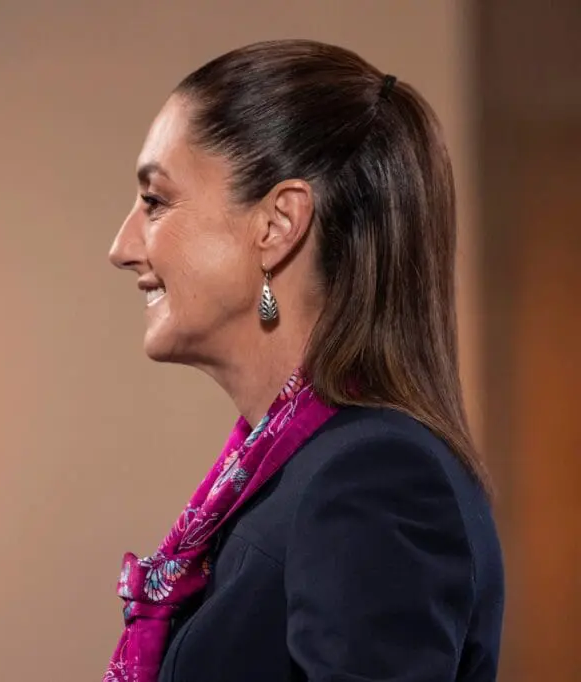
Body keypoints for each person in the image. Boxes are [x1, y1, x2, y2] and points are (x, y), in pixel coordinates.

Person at [104, 39, 504, 682]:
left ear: (277, 223)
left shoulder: (375, 478)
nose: (123, 247)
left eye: (155, 201)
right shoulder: (286, 471)